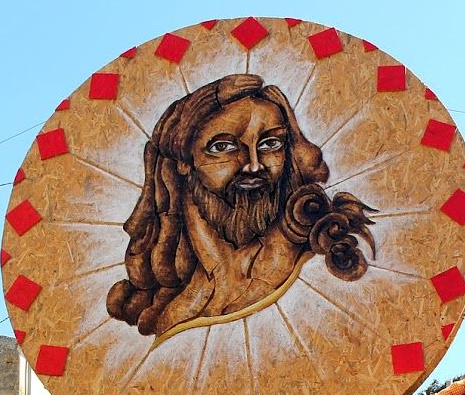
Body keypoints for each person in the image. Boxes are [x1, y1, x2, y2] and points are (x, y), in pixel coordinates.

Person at [105, 73, 376, 339]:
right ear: (184, 162)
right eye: (222, 146)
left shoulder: (307, 265)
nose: (253, 165)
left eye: (270, 143)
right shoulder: (179, 309)